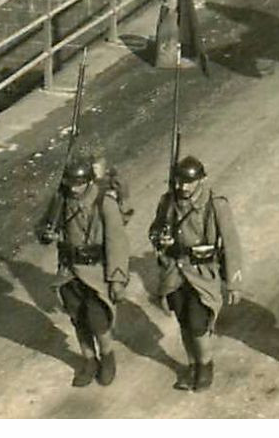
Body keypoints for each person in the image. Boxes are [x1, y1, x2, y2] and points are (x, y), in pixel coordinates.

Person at [149, 155, 244, 392]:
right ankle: (192, 365)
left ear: (202, 180)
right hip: (174, 271)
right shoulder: (167, 201)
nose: (184, 187)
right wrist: (160, 237)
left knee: (198, 324)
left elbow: (231, 244)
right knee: (183, 321)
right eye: (180, 181)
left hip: (203, 273)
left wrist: (233, 283)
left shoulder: (216, 205)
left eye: (190, 182)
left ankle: (205, 365)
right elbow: (154, 230)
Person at [36, 154, 133, 388]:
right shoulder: (62, 200)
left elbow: (117, 243)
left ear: (89, 181)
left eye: (79, 184)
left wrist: (117, 279)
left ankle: (107, 358)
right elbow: (45, 225)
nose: (74, 188)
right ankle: (89, 360)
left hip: (96, 272)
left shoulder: (104, 203)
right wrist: (47, 234)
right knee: (78, 319)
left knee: (98, 320)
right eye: (70, 183)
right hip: (69, 271)